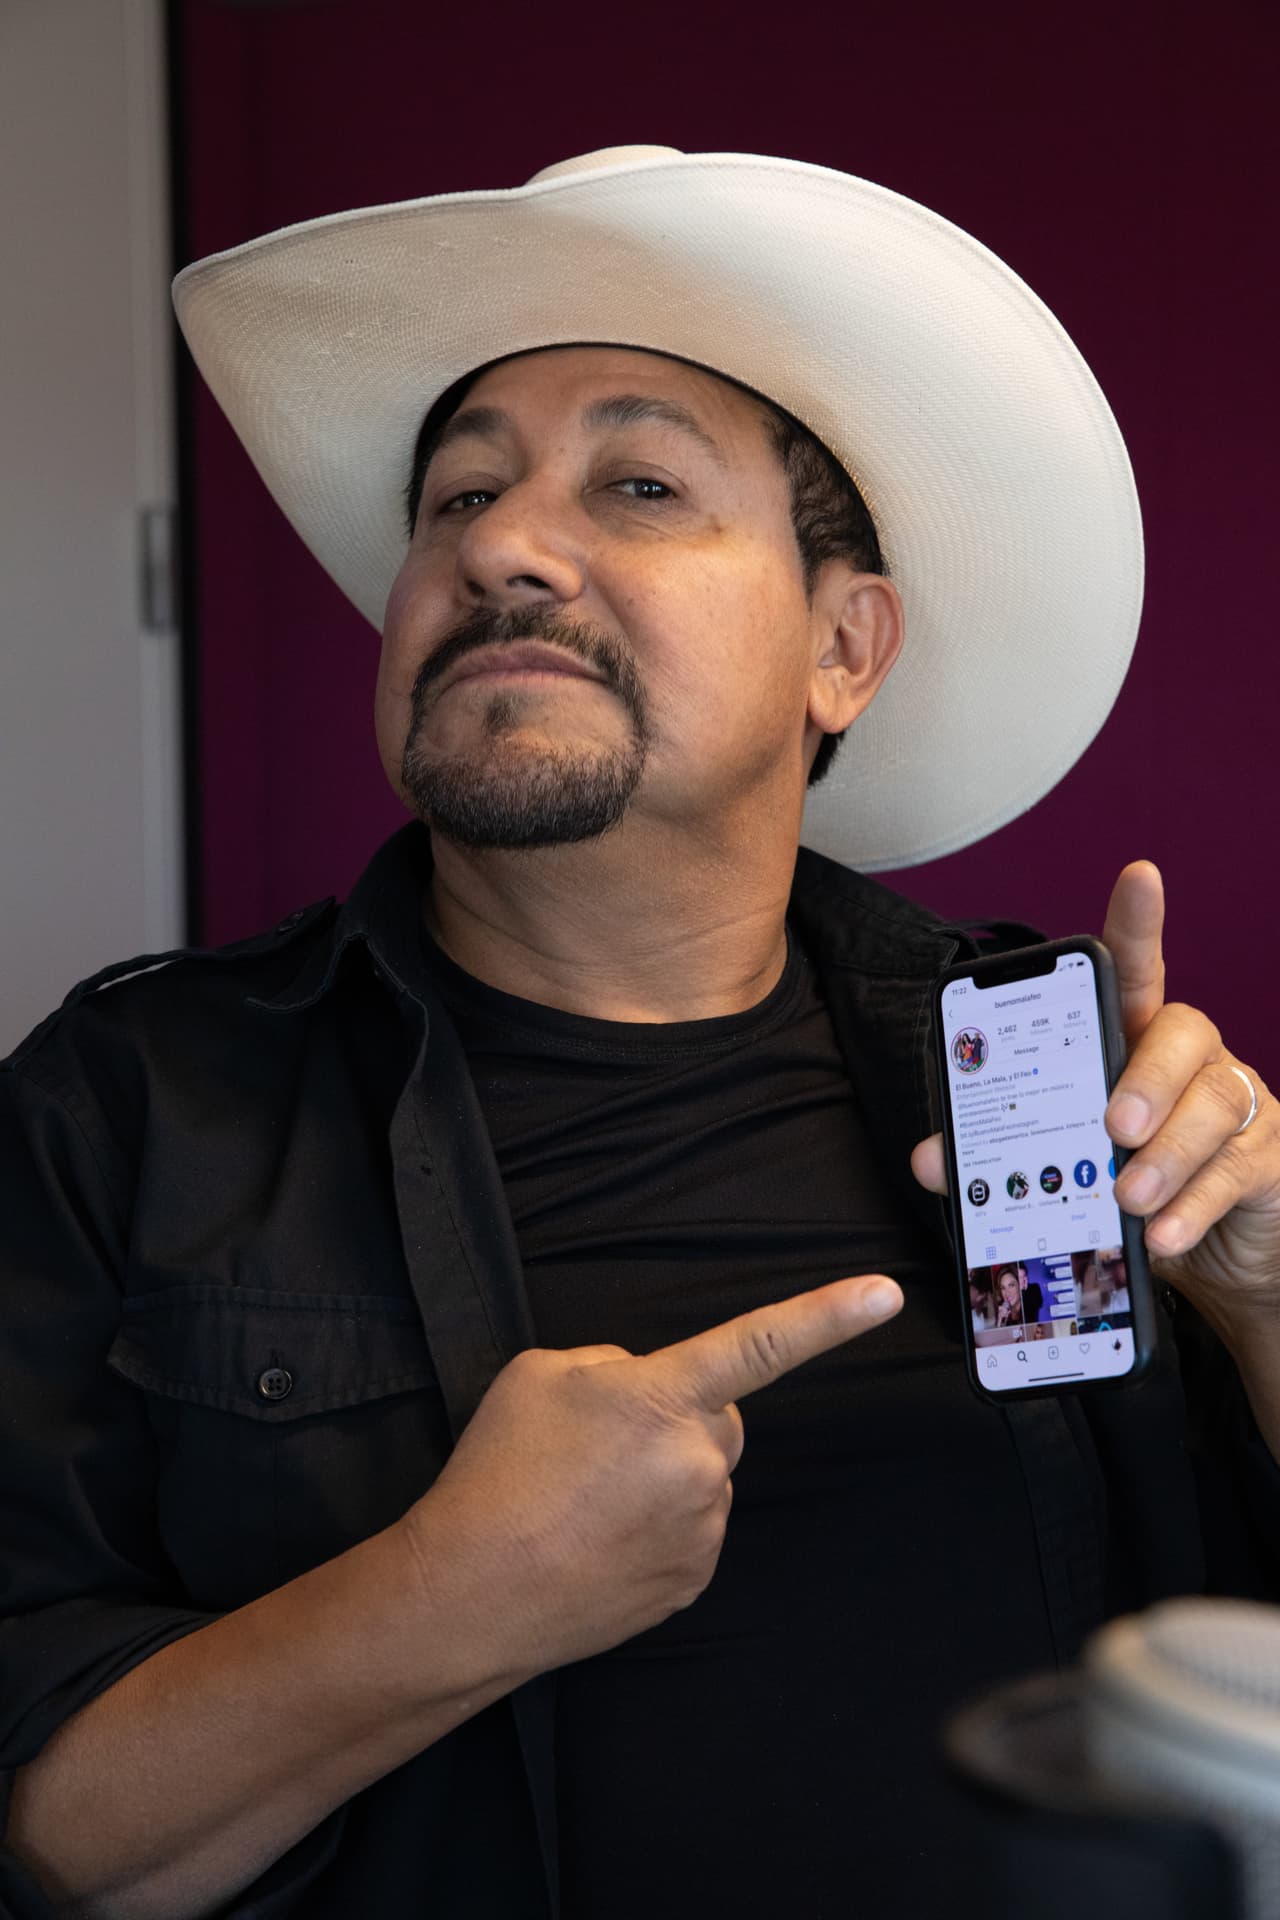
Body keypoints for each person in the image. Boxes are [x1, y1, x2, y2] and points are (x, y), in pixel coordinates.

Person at [2, 146, 1278, 1920]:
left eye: (641, 485)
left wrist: (1269, 1301)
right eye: (455, 500)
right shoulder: (127, 1113)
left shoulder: (1037, 1072)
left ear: (847, 647)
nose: (503, 549)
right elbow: (45, 1845)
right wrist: (443, 1604)